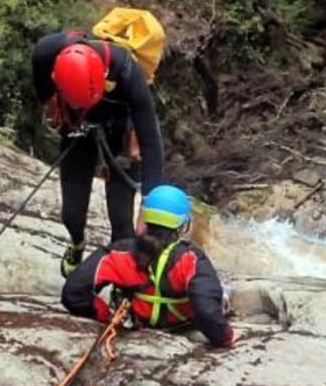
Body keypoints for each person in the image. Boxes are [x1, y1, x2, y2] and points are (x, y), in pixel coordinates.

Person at [32, 30, 166, 276]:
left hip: (119, 129)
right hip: (76, 125)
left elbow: (151, 144)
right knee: (71, 213)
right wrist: (51, 105)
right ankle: (77, 242)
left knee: (121, 220)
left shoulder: (127, 72)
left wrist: (149, 209)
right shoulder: (46, 51)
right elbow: (42, 91)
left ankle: (121, 275)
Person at [61, 185, 235, 348]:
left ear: (146, 218)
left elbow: (73, 293)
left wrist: (106, 315)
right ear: (184, 224)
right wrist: (226, 337)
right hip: (183, 325)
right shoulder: (192, 259)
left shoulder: (119, 252)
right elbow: (206, 311)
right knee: (221, 291)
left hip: (140, 322)